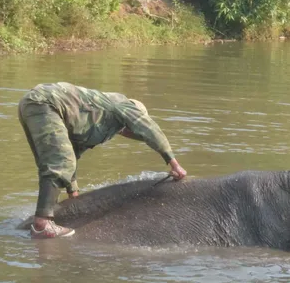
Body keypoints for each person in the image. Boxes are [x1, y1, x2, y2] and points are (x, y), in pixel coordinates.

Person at [18, 82, 187, 239]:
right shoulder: (124, 104)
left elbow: (71, 155)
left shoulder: (98, 122)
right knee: (60, 162)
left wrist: (73, 194)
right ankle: (42, 224)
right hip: (46, 103)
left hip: (32, 103)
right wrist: (174, 164)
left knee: (56, 160)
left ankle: (44, 218)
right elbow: (150, 130)